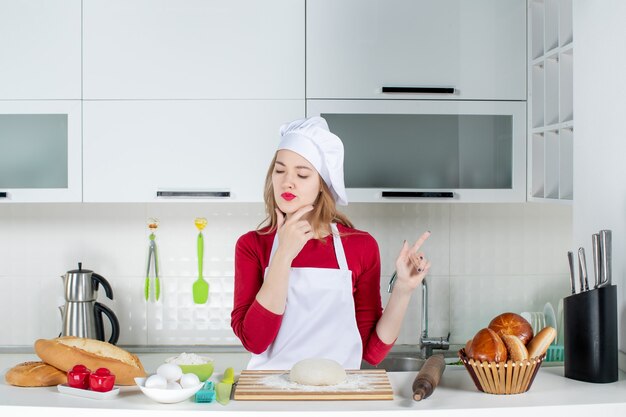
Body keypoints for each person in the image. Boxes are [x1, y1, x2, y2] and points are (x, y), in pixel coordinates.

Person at [231, 116, 431, 370]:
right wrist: (283, 255)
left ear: (322, 186)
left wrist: (404, 289)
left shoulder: (360, 247)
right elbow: (254, 341)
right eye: (279, 171)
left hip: (338, 393)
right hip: (273, 394)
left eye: (302, 174)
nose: (286, 182)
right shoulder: (252, 246)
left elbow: (372, 353)